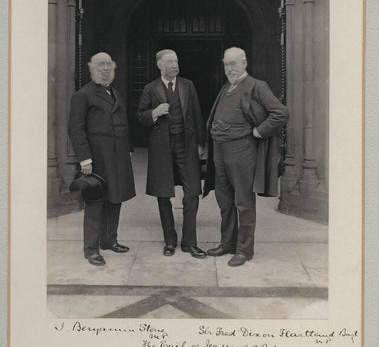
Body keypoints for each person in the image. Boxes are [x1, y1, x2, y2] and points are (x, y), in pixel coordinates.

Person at [203, 47, 289, 266]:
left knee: (243, 202)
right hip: (220, 152)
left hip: (242, 152)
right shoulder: (226, 88)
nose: (229, 68)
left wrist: (259, 131)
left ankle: (244, 250)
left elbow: (280, 113)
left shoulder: (257, 86)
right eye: (226, 64)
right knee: (224, 199)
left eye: (233, 64)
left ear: (244, 63)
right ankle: (227, 244)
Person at [137, 49, 207, 258]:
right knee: (163, 194)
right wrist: (154, 113)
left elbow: (196, 114)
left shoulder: (188, 85)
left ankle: (189, 242)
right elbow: (140, 116)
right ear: (160, 65)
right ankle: (169, 241)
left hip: (186, 146)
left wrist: (201, 144)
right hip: (162, 148)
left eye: (176, 61)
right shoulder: (150, 89)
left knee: (193, 192)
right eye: (169, 62)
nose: (175, 65)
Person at [68, 52, 136, 266]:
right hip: (97, 159)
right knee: (95, 203)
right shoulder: (83, 95)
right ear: (92, 69)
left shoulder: (114, 92)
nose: (105, 68)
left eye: (108, 64)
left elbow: (122, 123)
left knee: (115, 199)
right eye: (101, 65)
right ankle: (91, 249)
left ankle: (109, 240)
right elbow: (76, 130)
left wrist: (128, 150)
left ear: (113, 68)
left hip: (117, 157)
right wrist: (85, 159)